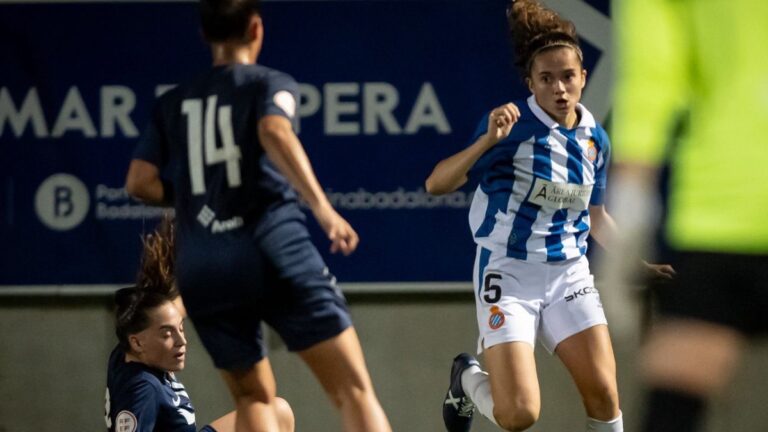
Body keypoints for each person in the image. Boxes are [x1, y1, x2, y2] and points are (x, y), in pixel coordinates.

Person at [124, 0, 392, 431]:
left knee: (254, 398)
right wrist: (323, 209)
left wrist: (195, 194)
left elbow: (138, 182)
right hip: (270, 247)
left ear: (205, 35)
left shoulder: (172, 102)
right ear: (255, 28)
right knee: (352, 390)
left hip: (205, 266)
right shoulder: (268, 82)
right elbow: (273, 130)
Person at [426, 1, 672, 431]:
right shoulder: (509, 129)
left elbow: (595, 215)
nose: (559, 88)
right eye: (546, 79)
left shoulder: (595, 137)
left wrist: (637, 265)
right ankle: (466, 378)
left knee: (605, 394)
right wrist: (485, 142)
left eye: (567, 77)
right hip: (508, 271)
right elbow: (436, 184)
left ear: (583, 78)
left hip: (569, 275)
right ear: (530, 83)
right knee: (519, 415)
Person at [611, 0, 768, 431]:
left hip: (721, 210)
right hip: (723, 212)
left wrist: (630, 198)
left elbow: (652, 76)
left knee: (672, 411)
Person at [105, 219, 295, 432]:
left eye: (181, 328)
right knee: (273, 412)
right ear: (138, 342)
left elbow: (171, 309)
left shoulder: (128, 346)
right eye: (167, 334)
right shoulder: (142, 387)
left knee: (277, 411)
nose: (181, 341)